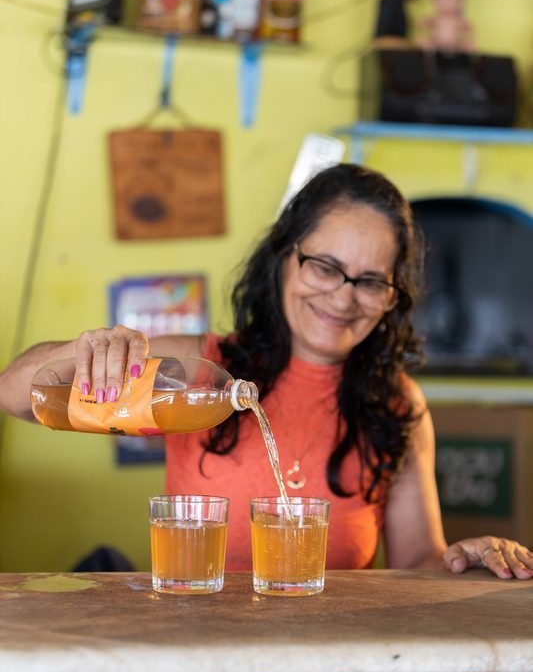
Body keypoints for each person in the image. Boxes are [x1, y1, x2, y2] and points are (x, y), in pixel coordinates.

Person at [1, 163, 531, 580]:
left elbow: (419, 563)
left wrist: (469, 558)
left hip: (325, 656)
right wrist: (89, 351)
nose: (343, 298)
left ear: (394, 296)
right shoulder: (199, 371)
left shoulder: (396, 402)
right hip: (198, 643)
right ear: (283, 255)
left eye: (371, 281)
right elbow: (13, 394)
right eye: (325, 267)